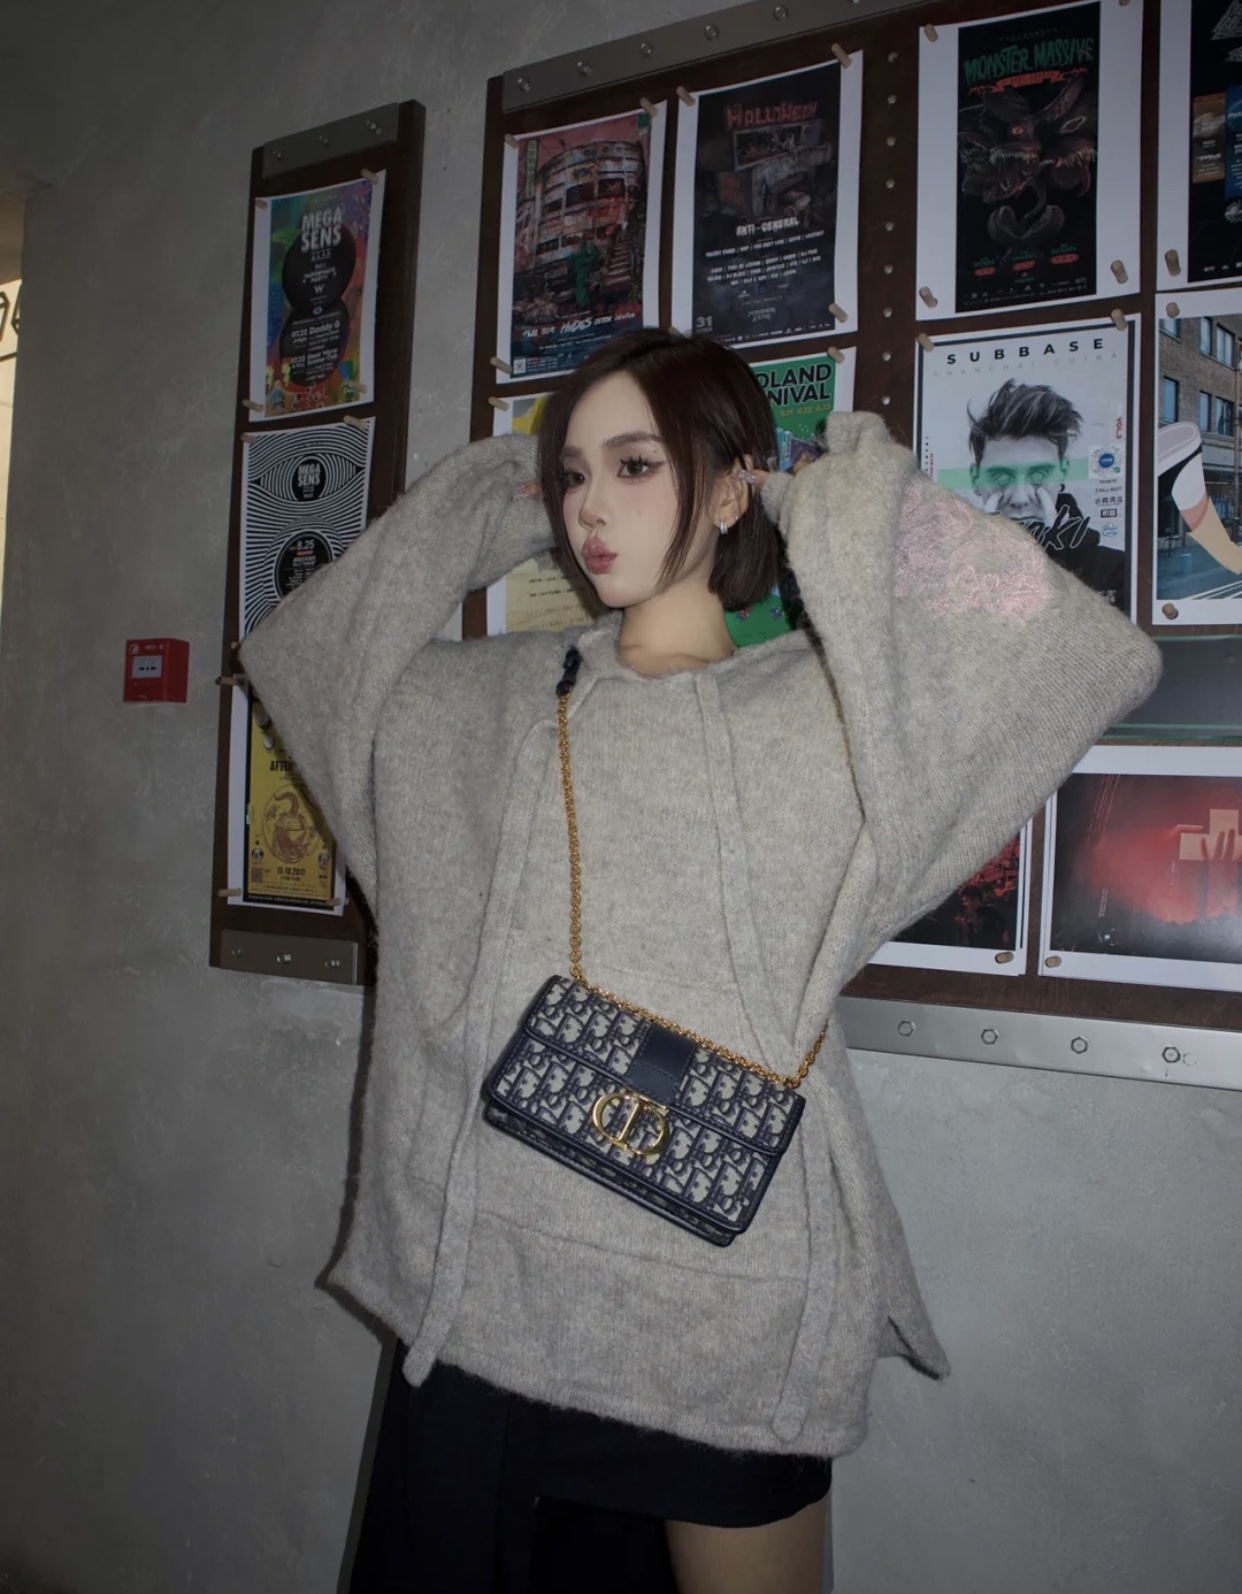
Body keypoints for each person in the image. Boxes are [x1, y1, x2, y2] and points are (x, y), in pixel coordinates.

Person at [240, 330, 1160, 1594]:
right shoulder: (476, 705)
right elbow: (305, 657)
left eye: (634, 466)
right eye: (572, 474)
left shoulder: (828, 720)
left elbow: (1068, 654)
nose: (589, 508)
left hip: (726, 1302)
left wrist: (825, 505)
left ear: (730, 486)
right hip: (484, 1295)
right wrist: (493, 499)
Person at [966, 378, 1129, 604]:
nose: (1020, 498)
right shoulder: (945, 574)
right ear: (975, 479)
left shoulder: (1118, 571)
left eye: (1039, 475)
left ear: (1063, 473)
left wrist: (1056, 560)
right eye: (1001, 477)